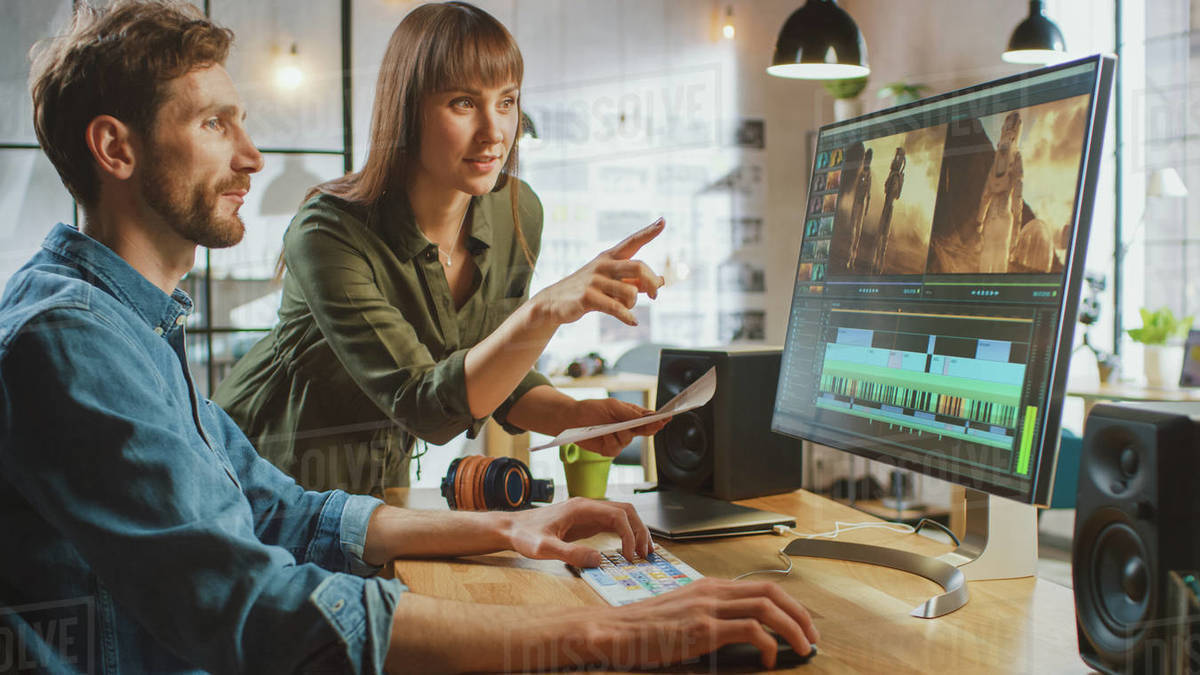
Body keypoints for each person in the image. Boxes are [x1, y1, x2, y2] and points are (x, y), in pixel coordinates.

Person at [0, 1, 819, 671]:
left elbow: (280, 509)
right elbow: (245, 600)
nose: (252, 156)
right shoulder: (70, 338)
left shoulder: (135, 323)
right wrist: (611, 634)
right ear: (115, 148)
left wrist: (511, 524)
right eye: (216, 125)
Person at [212, 2, 667, 494]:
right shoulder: (328, 231)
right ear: (408, 111)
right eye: (463, 103)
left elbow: (491, 366)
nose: (494, 133)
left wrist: (572, 415)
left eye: (507, 101)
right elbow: (424, 406)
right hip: (262, 473)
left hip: (382, 485)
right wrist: (546, 310)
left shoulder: (515, 211)